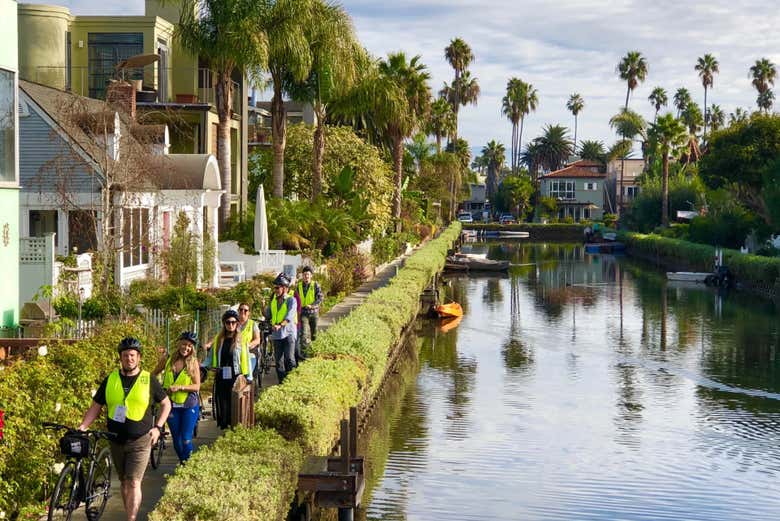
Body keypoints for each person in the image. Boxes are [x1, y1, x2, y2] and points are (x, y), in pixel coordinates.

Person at [78, 337, 171, 521]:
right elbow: (96, 405)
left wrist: (158, 428)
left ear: (139, 358)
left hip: (141, 440)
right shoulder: (111, 379)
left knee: (134, 482)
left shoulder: (148, 379)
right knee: (124, 481)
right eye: (126, 355)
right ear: (120, 357)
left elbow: (166, 404)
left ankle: (131, 518)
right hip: (115, 440)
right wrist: (83, 426)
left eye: (133, 355)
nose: (129, 359)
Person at [153, 332, 201, 464]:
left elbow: (197, 386)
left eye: (190, 346)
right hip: (171, 405)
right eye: (184, 344)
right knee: (177, 440)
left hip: (189, 405)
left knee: (186, 438)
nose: (186, 348)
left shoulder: (193, 363)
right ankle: (184, 463)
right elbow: (153, 374)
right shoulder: (168, 360)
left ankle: (189, 465)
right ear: (179, 343)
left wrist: (180, 387)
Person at [204, 309, 251, 429]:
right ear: (224, 324)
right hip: (221, 376)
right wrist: (201, 366)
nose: (231, 325)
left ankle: (234, 427)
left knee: (234, 404)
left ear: (237, 324)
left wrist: (248, 377)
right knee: (223, 403)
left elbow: (247, 359)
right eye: (228, 322)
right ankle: (226, 428)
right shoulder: (218, 340)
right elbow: (209, 358)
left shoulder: (241, 340)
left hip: (236, 377)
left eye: (233, 322)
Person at [265, 273, 298, 383]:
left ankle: (292, 382)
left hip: (288, 333)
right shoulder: (273, 301)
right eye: (274, 287)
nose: (275, 290)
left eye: (277, 287)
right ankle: (282, 384)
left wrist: (280, 325)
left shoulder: (291, 300)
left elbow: (289, 317)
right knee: (279, 362)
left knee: (289, 359)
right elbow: (268, 315)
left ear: (284, 288)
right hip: (277, 335)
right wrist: (262, 306)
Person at [294, 266, 323, 360]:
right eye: (305, 274)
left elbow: (320, 298)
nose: (306, 276)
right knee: (304, 334)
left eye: (308, 274)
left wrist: (313, 305)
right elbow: (295, 299)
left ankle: (315, 352)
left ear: (311, 276)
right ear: (302, 275)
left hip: (313, 313)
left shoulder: (315, 285)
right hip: (303, 313)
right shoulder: (298, 286)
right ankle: (304, 355)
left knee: (314, 333)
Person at [236, 302, 261, 379]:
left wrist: (248, 345)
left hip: (249, 351)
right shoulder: (233, 323)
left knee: (248, 375)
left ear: (249, 313)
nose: (243, 312)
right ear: (238, 311)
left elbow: (257, 339)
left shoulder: (252, 324)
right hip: (236, 351)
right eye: (241, 309)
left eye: (245, 310)